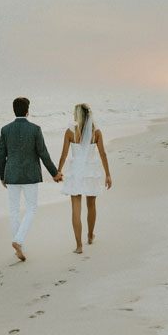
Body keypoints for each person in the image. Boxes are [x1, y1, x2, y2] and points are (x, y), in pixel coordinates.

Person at [0, 96, 62, 261]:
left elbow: (1, 155)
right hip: (30, 175)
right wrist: (54, 173)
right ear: (27, 111)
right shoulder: (35, 129)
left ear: (14, 111)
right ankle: (18, 241)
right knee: (31, 209)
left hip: (11, 174)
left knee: (13, 211)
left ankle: (19, 247)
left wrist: (2, 176)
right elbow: (43, 153)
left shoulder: (5, 130)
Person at [57, 103, 112, 254]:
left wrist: (59, 171)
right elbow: (102, 154)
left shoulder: (70, 131)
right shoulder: (96, 132)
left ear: (77, 115)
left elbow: (64, 154)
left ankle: (79, 246)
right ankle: (90, 235)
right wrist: (108, 174)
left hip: (76, 171)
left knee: (76, 209)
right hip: (90, 171)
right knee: (91, 205)